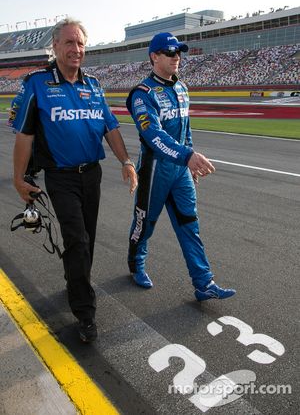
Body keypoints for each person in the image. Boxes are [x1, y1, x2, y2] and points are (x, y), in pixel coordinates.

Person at [12, 18, 137, 342]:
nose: (76, 49)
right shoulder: (37, 83)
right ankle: (85, 312)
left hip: (91, 175)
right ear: (55, 47)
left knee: (86, 241)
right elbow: (25, 135)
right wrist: (17, 179)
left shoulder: (94, 85)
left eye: (80, 43)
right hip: (60, 177)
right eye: (69, 42)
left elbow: (110, 127)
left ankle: (75, 280)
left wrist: (126, 161)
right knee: (78, 240)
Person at [126, 32, 236, 301]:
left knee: (190, 225)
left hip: (180, 170)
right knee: (146, 224)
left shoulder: (182, 88)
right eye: (170, 52)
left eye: (179, 53)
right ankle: (136, 265)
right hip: (155, 170)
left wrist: (190, 164)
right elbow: (153, 135)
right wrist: (187, 156)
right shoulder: (142, 94)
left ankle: (203, 282)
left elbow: (186, 132)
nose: (177, 57)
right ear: (154, 57)